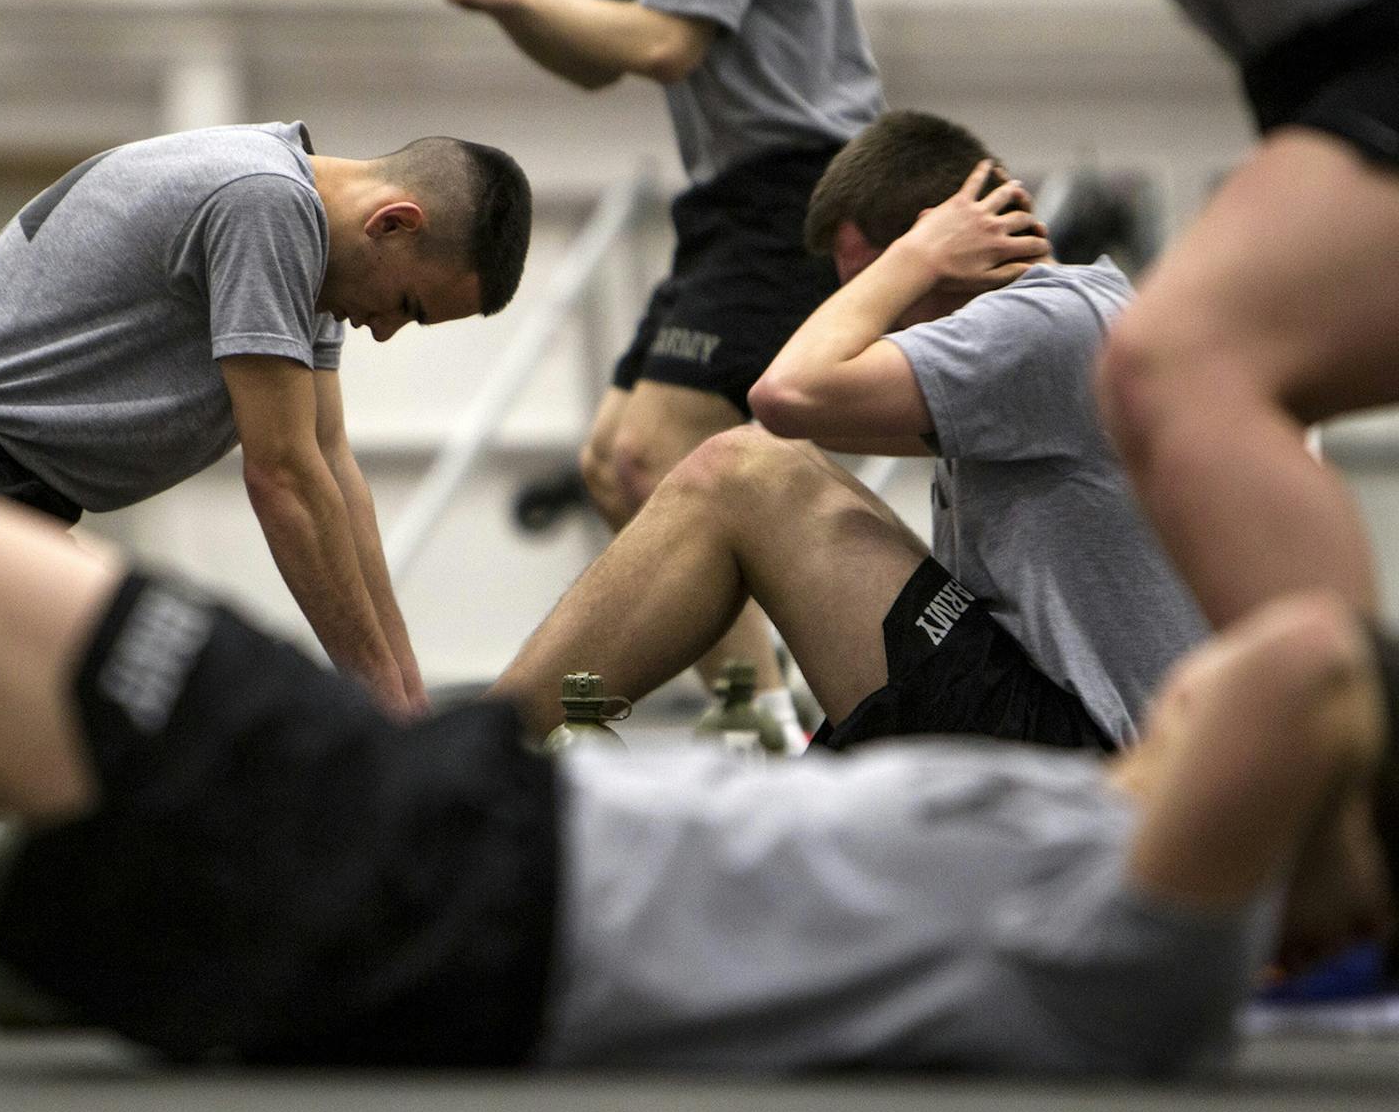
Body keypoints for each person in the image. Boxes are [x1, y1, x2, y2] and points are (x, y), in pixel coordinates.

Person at [0, 472, 1394, 1074]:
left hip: (448, 875)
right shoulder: (1100, 879)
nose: (1192, 689)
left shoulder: (1143, 951)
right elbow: (1284, 696)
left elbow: (1310, 660)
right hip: (444, 861)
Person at [330, 0, 1399, 639]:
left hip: (1360, 57)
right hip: (1315, 85)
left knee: (1170, 365)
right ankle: (1313, 748)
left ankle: (1324, 764)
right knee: (631, 455)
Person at [492, 111, 1207, 751]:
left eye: (880, 291)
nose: (878, 322)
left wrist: (913, 257)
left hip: (1083, 759)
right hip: (1058, 724)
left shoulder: (1047, 323)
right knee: (772, 469)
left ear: (950, 240)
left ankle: (475, 747)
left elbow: (784, 395)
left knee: (745, 470)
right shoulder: (1068, 331)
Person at [441, 0, 880, 743]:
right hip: (731, 198)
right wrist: (515, 6)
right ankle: (758, 713)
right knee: (612, 461)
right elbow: (600, 54)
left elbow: (668, 41)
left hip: (803, 196)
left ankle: (769, 725)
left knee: (655, 452)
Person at [0, 124, 533, 716]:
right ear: (392, 223)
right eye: (408, 305)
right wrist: (379, 709)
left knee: (150, 687)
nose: (384, 331)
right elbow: (285, 479)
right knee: (160, 687)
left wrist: (405, 699)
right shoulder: (268, 202)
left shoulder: (314, 241)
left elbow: (331, 469)